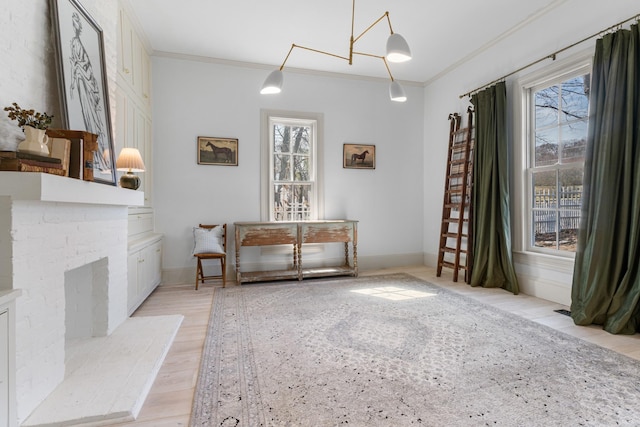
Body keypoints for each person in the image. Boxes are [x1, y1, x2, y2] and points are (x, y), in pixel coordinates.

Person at [69, 12, 110, 172]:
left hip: (88, 85)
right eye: (74, 23)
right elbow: (77, 65)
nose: (77, 26)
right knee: (89, 119)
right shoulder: (74, 43)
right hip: (83, 87)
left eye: (77, 23)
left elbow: (86, 68)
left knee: (94, 124)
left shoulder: (80, 44)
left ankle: (97, 160)